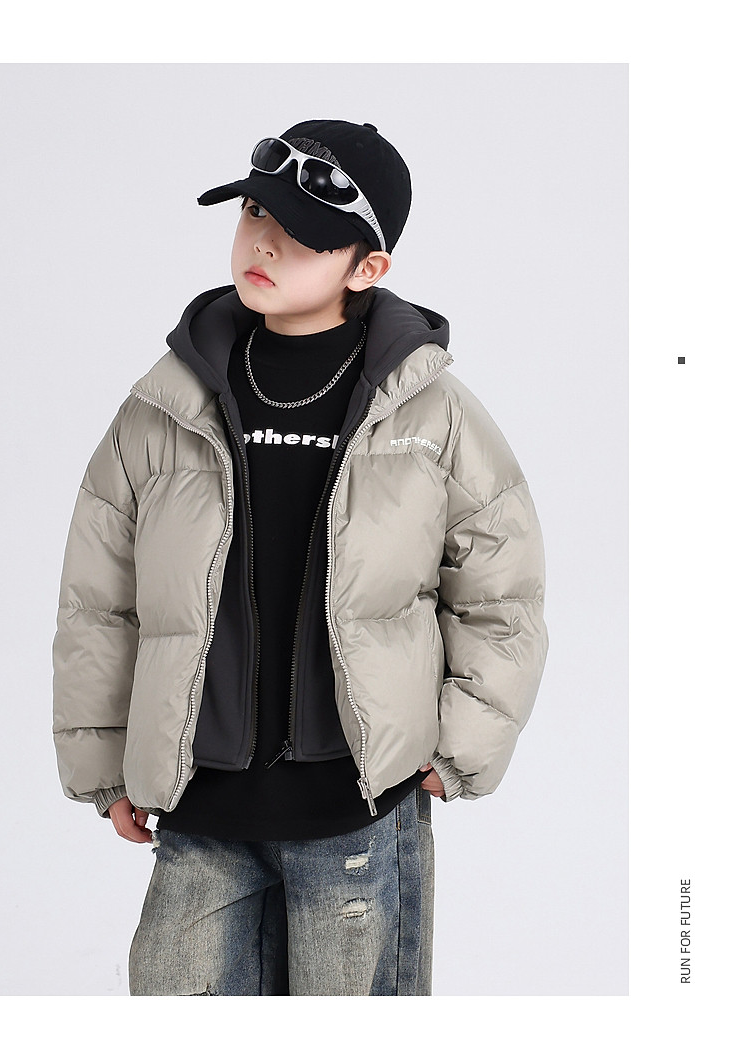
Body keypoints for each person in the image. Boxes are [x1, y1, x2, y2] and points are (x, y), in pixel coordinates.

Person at [51, 118, 549, 996]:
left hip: (354, 807)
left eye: (304, 233)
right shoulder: (164, 405)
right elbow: (100, 598)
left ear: (367, 267)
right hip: (202, 806)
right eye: (254, 212)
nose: (264, 243)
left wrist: (463, 745)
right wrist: (102, 764)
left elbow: (502, 591)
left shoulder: (430, 413)